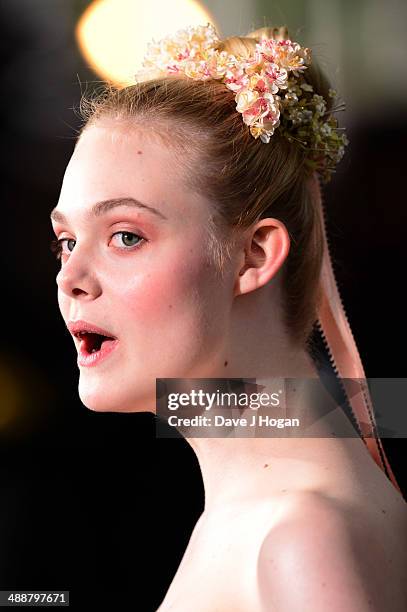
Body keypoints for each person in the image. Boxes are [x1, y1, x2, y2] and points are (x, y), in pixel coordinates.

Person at [50, 23, 406, 611]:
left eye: (125, 236)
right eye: (66, 241)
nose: (70, 279)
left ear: (255, 254)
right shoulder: (259, 512)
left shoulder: (298, 540)